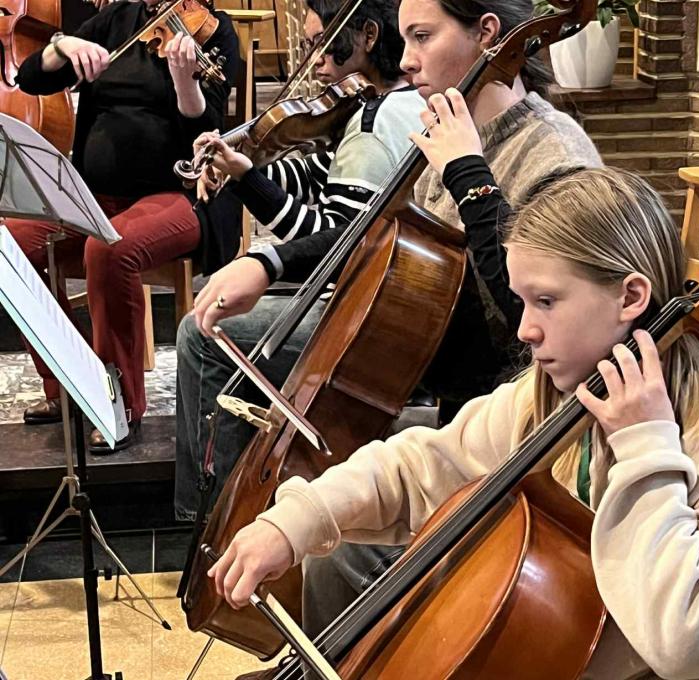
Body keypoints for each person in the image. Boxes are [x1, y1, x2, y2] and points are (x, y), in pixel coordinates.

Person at [210, 165, 699, 679]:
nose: (524, 330)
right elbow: (418, 465)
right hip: (552, 658)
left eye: (547, 301)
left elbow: (687, 639)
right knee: (341, 559)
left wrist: (646, 447)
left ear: (630, 297)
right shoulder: (545, 399)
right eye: (522, 301)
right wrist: (299, 519)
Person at [183, 0, 602, 648]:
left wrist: (467, 171)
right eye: (405, 38)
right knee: (330, 498)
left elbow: (532, 317)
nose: (406, 61)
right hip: (444, 387)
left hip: (514, 415)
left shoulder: (552, 152)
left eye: (423, 37)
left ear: (488, 34)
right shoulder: (450, 132)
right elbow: (379, 231)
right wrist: (269, 262)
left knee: (342, 542)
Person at [173, 0, 425, 521]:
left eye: (321, 44)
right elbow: (315, 177)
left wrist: (262, 243)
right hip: (371, 299)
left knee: (201, 333)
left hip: (366, 320)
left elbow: (331, 246)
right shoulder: (382, 105)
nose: (315, 61)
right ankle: (245, 495)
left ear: (368, 36)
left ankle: (210, 519)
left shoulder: (376, 123)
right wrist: (241, 169)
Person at [6, 0, 241, 452]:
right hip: (93, 196)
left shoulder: (214, 32)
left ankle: (118, 404)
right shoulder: (117, 20)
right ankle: (67, 382)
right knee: (10, 242)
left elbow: (208, 130)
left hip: (178, 194)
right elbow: (32, 78)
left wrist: (184, 81)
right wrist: (61, 46)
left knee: (109, 248)